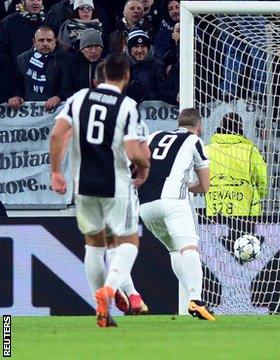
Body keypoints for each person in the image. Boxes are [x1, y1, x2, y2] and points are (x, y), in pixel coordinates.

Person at [49, 53, 151, 327]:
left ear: (98, 78)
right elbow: (133, 150)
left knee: (94, 245)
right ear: (126, 78)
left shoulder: (79, 98)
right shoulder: (127, 105)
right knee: (128, 242)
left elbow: (58, 134)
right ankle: (110, 288)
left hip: (83, 186)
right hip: (116, 186)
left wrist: (56, 172)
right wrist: (144, 166)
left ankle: (100, 305)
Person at [137, 108, 215, 321]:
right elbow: (205, 186)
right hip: (173, 202)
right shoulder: (195, 141)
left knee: (174, 250)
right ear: (198, 127)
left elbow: (134, 166)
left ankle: (192, 298)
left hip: (145, 206)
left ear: (178, 122)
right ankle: (196, 300)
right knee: (189, 248)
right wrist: (188, 186)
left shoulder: (154, 136)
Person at [204, 113, 268, 216]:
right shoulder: (250, 151)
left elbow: (201, 181)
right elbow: (264, 180)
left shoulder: (207, 150)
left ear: (220, 126)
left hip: (215, 211)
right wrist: (256, 195)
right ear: (241, 128)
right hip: (247, 213)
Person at [10, 25, 67, 111]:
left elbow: (69, 85)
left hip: (55, 111)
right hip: (28, 113)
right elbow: (17, 83)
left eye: (49, 40)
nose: (45, 43)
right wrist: (16, 96)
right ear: (34, 41)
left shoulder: (66, 60)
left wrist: (59, 97)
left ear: (55, 41)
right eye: (41, 40)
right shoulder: (22, 59)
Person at [60, 28, 103, 98]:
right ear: (82, 49)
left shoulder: (108, 64)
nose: (93, 51)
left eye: (97, 47)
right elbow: (66, 90)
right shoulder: (71, 63)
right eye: (89, 47)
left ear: (101, 49)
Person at [126, 28, 164, 102]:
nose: (140, 50)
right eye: (136, 46)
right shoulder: (123, 66)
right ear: (130, 48)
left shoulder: (157, 65)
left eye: (143, 46)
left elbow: (162, 92)